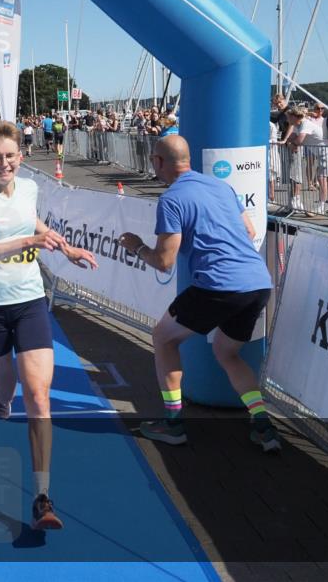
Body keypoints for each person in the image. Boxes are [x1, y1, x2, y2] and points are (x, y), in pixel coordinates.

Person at [0, 119, 97, 530]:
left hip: (29, 300)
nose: (4, 164)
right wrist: (29, 242)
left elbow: (31, 223)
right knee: (4, 389)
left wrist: (64, 245)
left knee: (38, 396)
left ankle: (42, 497)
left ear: (20, 157)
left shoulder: (29, 188)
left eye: (10, 156)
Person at [118, 135, 279, 453]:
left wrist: (137, 246)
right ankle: (262, 424)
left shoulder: (172, 199)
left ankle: (173, 423)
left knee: (164, 338)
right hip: (257, 283)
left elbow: (163, 262)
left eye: (153, 160)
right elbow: (248, 230)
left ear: (159, 162)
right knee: (225, 351)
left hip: (219, 285)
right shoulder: (221, 187)